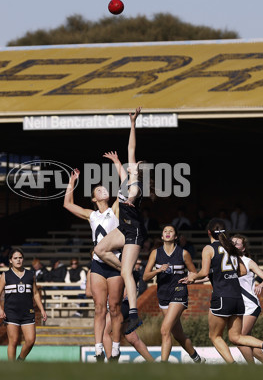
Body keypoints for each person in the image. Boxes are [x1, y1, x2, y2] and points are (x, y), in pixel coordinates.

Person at [181, 219, 263, 364]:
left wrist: (193, 276)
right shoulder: (231, 249)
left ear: (209, 232)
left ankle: (233, 366)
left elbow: (204, 272)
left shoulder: (209, 249)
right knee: (236, 337)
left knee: (215, 336)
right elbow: (242, 271)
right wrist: (226, 274)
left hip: (222, 296)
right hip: (238, 298)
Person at [95, 107, 149, 335]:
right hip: (123, 228)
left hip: (134, 231)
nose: (133, 163)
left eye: (136, 164)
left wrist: (131, 200)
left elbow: (134, 193)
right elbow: (131, 147)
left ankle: (134, 314)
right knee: (99, 249)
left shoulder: (135, 185)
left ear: (139, 171)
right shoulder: (128, 177)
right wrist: (133, 123)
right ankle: (130, 272)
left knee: (125, 273)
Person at [64, 165, 123, 361]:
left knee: (114, 307)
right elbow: (68, 204)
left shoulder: (115, 209)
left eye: (104, 188)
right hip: (97, 264)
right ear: (94, 198)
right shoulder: (92, 214)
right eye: (98, 189)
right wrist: (71, 183)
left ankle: (115, 347)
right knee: (99, 307)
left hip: (114, 263)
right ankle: (98, 349)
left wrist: (118, 165)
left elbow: (125, 186)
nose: (102, 189)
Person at [143, 225, 205, 363]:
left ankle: (163, 366)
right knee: (178, 334)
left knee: (165, 330)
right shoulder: (155, 253)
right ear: (162, 236)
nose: (168, 233)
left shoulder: (183, 253)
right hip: (163, 295)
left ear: (175, 236)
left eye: (171, 231)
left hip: (179, 292)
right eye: (165, 231)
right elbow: (145, 277)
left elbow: (194, 274)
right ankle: (198, 359)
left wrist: (190, 278)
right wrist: (158, 271)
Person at [0, 248, 47, 361]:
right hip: (11, 312)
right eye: (15, 258)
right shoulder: (5, 275)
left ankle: (20, 360)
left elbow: (36, 293)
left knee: (30, 340)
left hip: (28, 312)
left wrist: (42, 310)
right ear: (10, 260)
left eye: (20, 258)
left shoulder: (30, 274)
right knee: (13, 341)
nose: (18, 260)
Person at [232, 234, 263, 364]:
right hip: (238, 307)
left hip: (250, 305)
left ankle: (251, 369)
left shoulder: (248, 261)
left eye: (237, 243)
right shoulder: (226, 262)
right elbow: (210, 275)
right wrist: (194, 278)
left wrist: (260, 285)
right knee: (247, 341)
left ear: (243, 248)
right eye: (232, 242)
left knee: (238, 338)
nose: (234, 244)